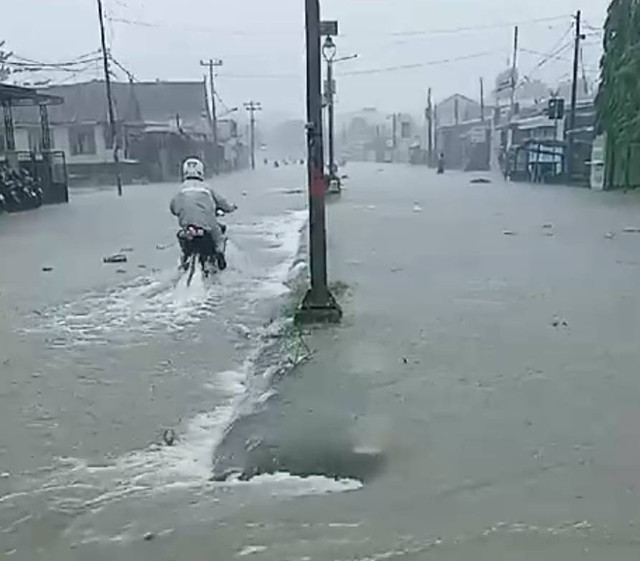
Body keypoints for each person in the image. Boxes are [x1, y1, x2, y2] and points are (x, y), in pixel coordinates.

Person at [170, 157, 236, 271]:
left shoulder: (180, 190)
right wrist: (230, 208)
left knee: (181, 236)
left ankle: (185, 260)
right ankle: (220, 257)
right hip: (208, 227)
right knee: (220, 238)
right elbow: (222, 203)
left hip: (187, 228)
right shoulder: (207, 187)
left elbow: (173, 208)